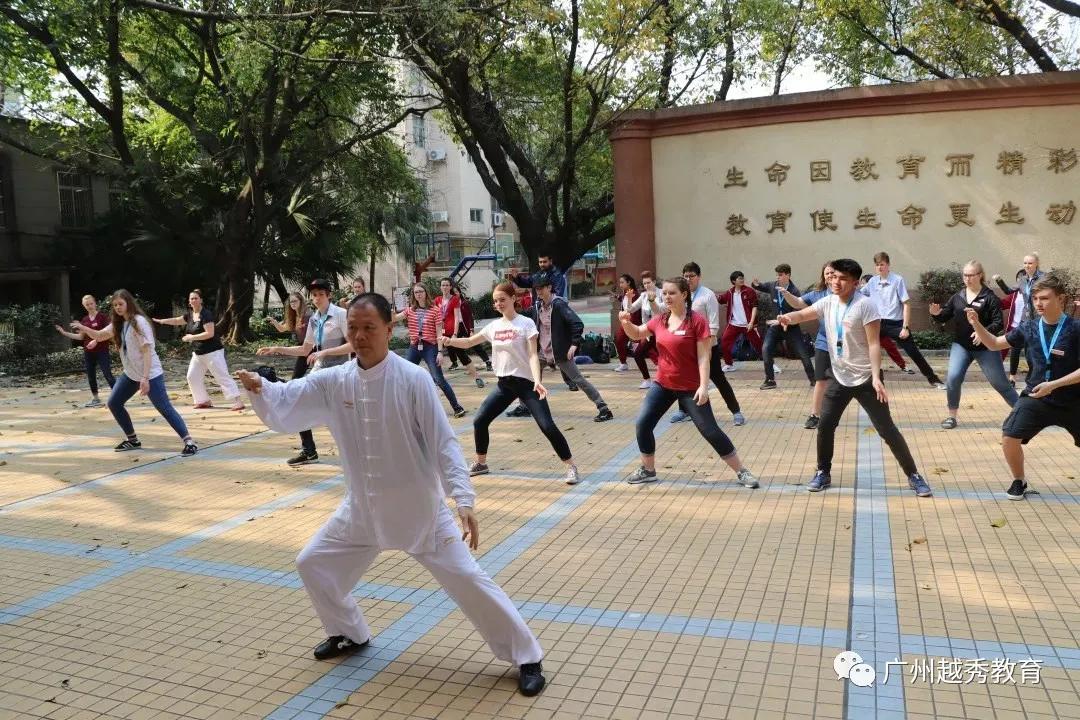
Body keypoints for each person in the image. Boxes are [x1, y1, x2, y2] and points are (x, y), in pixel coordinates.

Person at [236, 293, 546, 696]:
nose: (360, 336)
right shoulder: (334, 380)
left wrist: (463, 499)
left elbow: (443, 443)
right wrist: (261, 386)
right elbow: (289, 399)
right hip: (361, 510)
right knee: (312, 563)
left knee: (469, 580)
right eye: (353, 329)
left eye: (369, 328)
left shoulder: (413, 379)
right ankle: (349, 633)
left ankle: (527, 656)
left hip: (419, 510)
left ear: (389, 329)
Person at [776, 259, 932, 497]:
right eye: (833, 277)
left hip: (867, 378)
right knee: (825, 426)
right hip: (839, 376)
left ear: (856, 283)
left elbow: (873, 344)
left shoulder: (866, 305)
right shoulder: (827, 302)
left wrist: (877, 377)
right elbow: (802, 314)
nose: (835, 282)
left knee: (887, 429)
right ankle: (822, 472)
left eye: (842, 279)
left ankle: (914, 476)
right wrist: (788, 318)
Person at [618, 277, 760, 488]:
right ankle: (648, 470)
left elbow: (704, 357)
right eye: (664, 293)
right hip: (663, 385)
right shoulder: (660, 319)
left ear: (684, 294)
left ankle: (741, 471)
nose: (667, 297)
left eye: (672, 292)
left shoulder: (696, 321)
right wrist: (625, 322)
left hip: (690, 388)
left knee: (710, 431)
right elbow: (638, 333)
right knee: (643, 423)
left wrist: (703, 386)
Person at [442, 282, 579, 484]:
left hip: (527, 384)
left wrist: (537, 381)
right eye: (495, 301)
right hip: (504, 385)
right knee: (479, 421)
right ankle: (481, 463)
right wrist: (450, 341)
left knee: (547, 426)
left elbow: (533, 354)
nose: (498, 304)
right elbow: (470, 342)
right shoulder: (494, 327)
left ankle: (571, 466)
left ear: (513, 298)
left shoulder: (526, 324)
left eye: (502, 300)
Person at [967, 274, 1080, 500]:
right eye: (1036, 298)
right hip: (1036, 396)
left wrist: (1055, 385)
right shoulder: (1028, 327)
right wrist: (976, 324)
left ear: (1061, 299)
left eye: (1045, 298)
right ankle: (1019, 480)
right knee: (1009, 437)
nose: (1039, 303)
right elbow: (994, 344)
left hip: (1073, 398)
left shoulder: (1076, 329)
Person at [71, 289, 197, 456]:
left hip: (150, 373)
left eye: (121, 304)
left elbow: (146, 352)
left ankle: (189, 442)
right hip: (130, 374)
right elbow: (101, 335)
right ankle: (133, 440)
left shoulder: (139, 322)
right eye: (115, 305)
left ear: (128, 303)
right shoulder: (119, 323)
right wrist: (83, 328)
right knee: (114, 403)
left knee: (163, 407)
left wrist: (145, 378)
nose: (118, 307)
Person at [257, 279, 352, 465]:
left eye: (321, 295)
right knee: (299, 403)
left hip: (339, 373)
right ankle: (309, 451)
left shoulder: (341, 314)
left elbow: (353, 345)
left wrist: (325, 351)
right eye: (314, 295)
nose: (317, 299)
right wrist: (276, 348)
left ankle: (359, 453)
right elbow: (304, 349)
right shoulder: (315, 319)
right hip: (319, 372)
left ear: (329, 295)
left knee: (344, 417)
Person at [928, 260, 1019, 429]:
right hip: (961, 346)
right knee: (953, 378)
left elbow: (998, 323)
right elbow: (945, 315)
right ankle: (951, 416)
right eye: (965, 275)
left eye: (971, 275)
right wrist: (936, 314)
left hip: (986, 347)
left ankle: (1024, 413)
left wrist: (981, 332)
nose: (967, 279)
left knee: (1000, 383)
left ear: (980, 276)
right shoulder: (958, 296)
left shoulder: (989, 297)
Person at [524, 272, 613, 423]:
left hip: (560, 351)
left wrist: (574, 344)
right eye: (536, 289)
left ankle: (604, 408)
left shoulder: (558, 305)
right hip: (542, 352)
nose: (538, 291)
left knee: (578, 379)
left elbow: (577, 323)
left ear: (549, 287)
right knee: (529, 377)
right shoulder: (538, 306)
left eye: (541, 288)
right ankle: (525, 407)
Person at [670, 262, 745, 425]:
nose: (688, 279)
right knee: (684, 379)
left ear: (699, 277)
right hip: (686, 346)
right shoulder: (681, 295)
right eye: (686, 276)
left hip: (707, 345)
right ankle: (683, 410)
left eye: (691, 276)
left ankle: (736, 411)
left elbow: (713, 324)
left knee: (718, 379)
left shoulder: (707, 295)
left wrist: (708, 348)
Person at [860, 252, 944, 387]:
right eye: (877, 265)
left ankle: (933, 379)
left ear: (888, 265)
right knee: (863, 348)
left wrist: (905, 327)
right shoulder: (872, 281)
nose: (879, 267)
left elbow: (906, 303)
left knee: (913, 352)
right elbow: (859, 294)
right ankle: (864, 379)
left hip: (896, 324)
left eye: (882, 264)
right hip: (877, 323)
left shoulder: (897, 280)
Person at [153, 289, 244, 411]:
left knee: (221, 376)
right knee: (192, 376)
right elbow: (177, 320)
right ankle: (203, 401)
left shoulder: (206, 314)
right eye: (191, 298)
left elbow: (210, 333)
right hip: (198, 353)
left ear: (201, 300)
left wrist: (192, 337)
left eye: (196, 298)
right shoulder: (190, 315)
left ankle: (238, 401)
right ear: (189, 302)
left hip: (213, 352)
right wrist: (162, 321)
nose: (193, 300)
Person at [771, 263, 834, 429]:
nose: (829, 276)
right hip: (824, 343)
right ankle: (815, 415)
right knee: (820, 380)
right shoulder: (818, 294)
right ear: (823, 276)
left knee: (853, 383)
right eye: (826, 273)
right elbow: (798, 304)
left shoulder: (848, 293)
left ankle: (875, 416)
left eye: (832, 273)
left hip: (846, 345)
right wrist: (786, 295)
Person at [392, 283, 467, 417]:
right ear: (413, 295)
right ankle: (405, 409)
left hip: (430, 347)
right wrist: (390, 311)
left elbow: (439, 333)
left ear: (426, 293)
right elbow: (395, 318)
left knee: (439, 379)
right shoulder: (410, 310)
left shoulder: (435, 310)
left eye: (421, 291)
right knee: (403, 376)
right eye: (416, 292)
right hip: (415, 346)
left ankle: (457, 407)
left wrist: (440, 352)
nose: (418, 294)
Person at [751, 264, 814, 389]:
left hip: (791, 327)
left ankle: (814, 380)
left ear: (788, 275)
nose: (778, 277)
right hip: (775, 326)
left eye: (780, 275)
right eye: (777, 275)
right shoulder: (773, 285)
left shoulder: (794, 291)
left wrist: (784, 321)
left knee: (803, 353)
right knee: (766, 349)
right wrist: (755, 284)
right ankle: (770, 380)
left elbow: (796, 311)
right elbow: (761, 287)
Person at [55, 294, 115, 407]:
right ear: (84, 306)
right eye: (87, 304)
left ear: (95, 303)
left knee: (107, 373)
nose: (89, 306)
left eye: (91, 303)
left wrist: (96, 340)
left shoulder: (103, 317)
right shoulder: (84, 320)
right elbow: (81, 337)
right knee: (91, 375)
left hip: (102, 350)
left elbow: (106, 333)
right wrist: (64, 333)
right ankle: (95, 398)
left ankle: (118, 397)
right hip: (88, 352)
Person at [994, 252, 1044, 384]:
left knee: (1033, 350)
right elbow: (1009, 291)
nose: (1027, 265)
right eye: (1025, 263)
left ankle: (1037, 377)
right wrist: (999, 281)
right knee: (1016, 348)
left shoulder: (1044, 278)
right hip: (1024, 320)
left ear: (1036, 264)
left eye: (1030, 263)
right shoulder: (1022, 280)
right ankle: (1016, 377)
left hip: (1039, 319)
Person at [433, 278, 485, 388]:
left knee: (462, 355)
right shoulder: (437, 300)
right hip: (440, 334)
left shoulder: (455, 299)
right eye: (443, 285)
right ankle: (436, 380)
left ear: (450, 287)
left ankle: (477, 377)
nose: (445, 287)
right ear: (440, 287)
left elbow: (457, 317)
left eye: (447, 285)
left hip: (452, 333)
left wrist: (455, 334)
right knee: (436, 355)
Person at [716, 271, 762, 373]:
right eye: (739, 278)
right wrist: (711, 295)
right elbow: (720, 299)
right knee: (724, 344)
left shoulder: (749, 291)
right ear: (733, 281)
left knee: (759, 345)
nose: (742, 280)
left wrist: (751, 322)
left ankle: (771, 364)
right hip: (733, 324)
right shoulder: (729, 293)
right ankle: (729, 364)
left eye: (742, 278)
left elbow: (755, 307)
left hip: (748, 325)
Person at [628, 271, 664, 389]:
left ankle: (667, 378)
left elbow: (661, 311)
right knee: (638, 353)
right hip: (648, 330)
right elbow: (631, 309)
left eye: (649, 282)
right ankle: (647, 379)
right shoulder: (643, 295)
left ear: (654, 282)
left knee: (664, 356)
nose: (647, 285)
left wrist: (653, 300)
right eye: (644, 283)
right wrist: (629, 299)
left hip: (661, 330)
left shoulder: (662, 293)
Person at [611, 273, 640, 373]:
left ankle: (659, 362)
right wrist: (618, 297)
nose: (620, 285)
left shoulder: (635, 294)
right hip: (626, 323)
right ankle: (623, 363)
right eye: (620, 282)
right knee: (618, 339)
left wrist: (633, 324)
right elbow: (624, 301)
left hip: (634, 323)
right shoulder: (625, 293)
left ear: (629, 282)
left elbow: (634, 309)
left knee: (646, 345)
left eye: (622, 282)